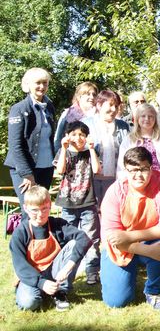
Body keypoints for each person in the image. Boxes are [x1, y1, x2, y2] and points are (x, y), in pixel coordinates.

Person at [100, 147, 160, 314]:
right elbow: (113, 238)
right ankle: (126, 276)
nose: (138, 175)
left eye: (143, 169)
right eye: (133, 170)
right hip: (119, 248)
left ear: (151, 168)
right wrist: (145, 250)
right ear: (125, 171)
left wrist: (129, 236)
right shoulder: (115, 191)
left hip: (145, 240)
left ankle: (154, 292)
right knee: (116, 301)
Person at [10, 186, 91, 311]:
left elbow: (84, 239)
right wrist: (41, 283)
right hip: (31, 275)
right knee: (28, 303)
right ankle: (40, 291)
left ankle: (60, 292)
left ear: (50, 205)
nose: (40, 214)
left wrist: (67, 268)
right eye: (34, 210)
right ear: (25, 208)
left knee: (73, 243)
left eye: (44, 209)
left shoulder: (57, 224)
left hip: (54, 271)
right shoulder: (20, 233)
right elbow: (20, 266)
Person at [53, 121, 102, 285]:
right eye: (74, 134)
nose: (78, 137)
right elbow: (60, 170)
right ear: (67, 136)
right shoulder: (63, 151)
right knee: (69, 239)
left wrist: (92, 148)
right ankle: (67, 272)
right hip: (68, 204)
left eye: (82, 134)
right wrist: (65, 148)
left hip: (87, 203)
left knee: (91, 239)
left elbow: (96, 170)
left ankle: (92, 271)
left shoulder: (90, 153)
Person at [5, 68, 56, 218]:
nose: (42, 86)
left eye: (45, 83)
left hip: (46, 168)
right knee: (31, 212)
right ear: (28, 85)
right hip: (24, 170)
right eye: (38, 83)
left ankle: (42, 242)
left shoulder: (49, 107)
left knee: (43, 211)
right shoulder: (19, 109)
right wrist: (27, 174)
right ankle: (24, 242)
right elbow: (15, 145)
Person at [83, 89, 130, 206]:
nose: (114, 110)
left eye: (116, 106)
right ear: (99, 105)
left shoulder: (123, 126)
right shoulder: (86, 124)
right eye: (110, 105)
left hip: (115, 179)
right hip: (91, 180)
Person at [117, 103, 160, 184]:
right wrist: (122, 184)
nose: (147, 119)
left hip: (156, 184)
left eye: (150, 116)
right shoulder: (129, 140)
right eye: (143, 116)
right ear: (137, 119)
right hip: (134, 183)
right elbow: (121, 165)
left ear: (155, 119)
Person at [53, 81, 98, 152]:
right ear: (79, 97)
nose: (91, 97)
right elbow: (58, 138)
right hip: (71, 155)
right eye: (88, 94)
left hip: (92, 155)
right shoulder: (68, 114)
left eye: (94, 95)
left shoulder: (98, 115)